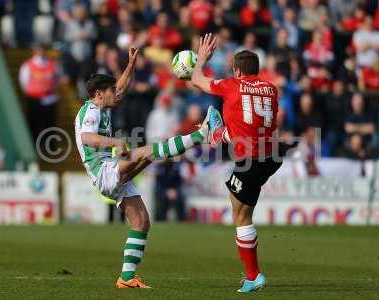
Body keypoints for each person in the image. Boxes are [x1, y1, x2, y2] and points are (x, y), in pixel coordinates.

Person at [74, 47, 222, 289]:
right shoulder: (91, 111)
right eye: (111, 91)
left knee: (141, 222)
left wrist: (131, 63)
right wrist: (115, 141)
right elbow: (87, 138)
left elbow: (121, 86)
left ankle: (127, 278)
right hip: (103, 170)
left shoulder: (101, 105)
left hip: (110, 168)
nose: (117, 94)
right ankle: (203, 133)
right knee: (148, 151)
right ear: (99, 94)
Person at [191, 33, 282, 293]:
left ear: (237, 70)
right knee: (243, 210)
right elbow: (251, 122)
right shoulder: (271, 89)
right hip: (271, 155)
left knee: (240, 213)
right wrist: (223, 132)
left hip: (251, 159)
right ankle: (219, 131)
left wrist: (202, 59)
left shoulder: (232, 85)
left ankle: (254, 276)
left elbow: (197, 80)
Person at [19, 45, 61, 143]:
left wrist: (50, 89)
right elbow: (24, 81)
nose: (40, 52)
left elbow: (57, 78)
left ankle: (49, 145)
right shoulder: (28, 64)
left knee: (50, 123)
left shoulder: (52, 64)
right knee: (34, 122)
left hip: (49, 97)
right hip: (34, 99)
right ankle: (34, 143)